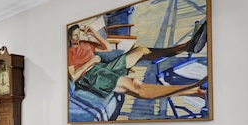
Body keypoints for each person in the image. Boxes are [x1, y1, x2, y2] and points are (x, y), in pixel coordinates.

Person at [68, 23, 205, 100]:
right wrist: (91, 61)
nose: (78, 37)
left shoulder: (86, 44)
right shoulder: (69, 52)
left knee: (141, 50)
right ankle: (195, 91)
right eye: (74, 35)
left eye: (79, 33)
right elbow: (73, 77)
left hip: (102, 66)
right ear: (69, 38)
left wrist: (94, 34)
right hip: (91, 75)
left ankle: (187, 47)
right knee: (135, 85)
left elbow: (108, 48)